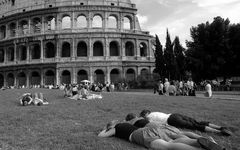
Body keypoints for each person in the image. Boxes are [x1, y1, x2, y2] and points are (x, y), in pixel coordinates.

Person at [98, 120, 225, 150]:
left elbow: (100, 136)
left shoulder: (116, 128)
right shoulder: (125, 123)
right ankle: (199, 141)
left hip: (139, 135)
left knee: (167, 146)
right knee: (172, 141)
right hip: (150, 130)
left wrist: (106, 128)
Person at [139, 110, 232, 136]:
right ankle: (221, 127)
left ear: (145, 114)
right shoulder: (155, 112)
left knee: (195, 126)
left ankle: (219, 132)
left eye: (143, 115)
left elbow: (153, 125)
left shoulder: (148, 117)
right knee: (197, 122)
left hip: (171, 120)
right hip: (174, 115)